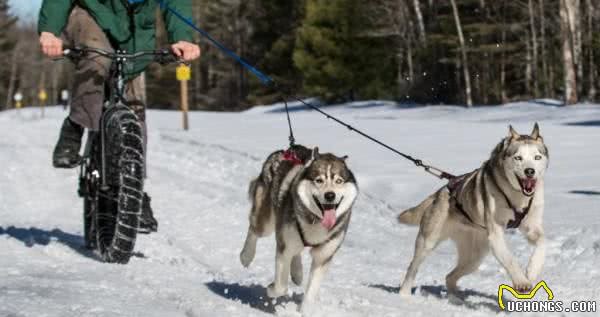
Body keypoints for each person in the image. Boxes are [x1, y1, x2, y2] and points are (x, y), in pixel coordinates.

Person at [39, 0, 201, 231]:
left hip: (134, 32)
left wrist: (183, 37)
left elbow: (175, 3)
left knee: (135, 108)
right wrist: (50, 30)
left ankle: (133, 190)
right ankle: (75, 126)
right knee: (98, 60)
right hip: (90, 16)